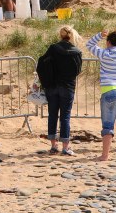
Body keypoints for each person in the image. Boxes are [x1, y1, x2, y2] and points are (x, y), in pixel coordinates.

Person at [86, 29, 116, 161]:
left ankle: (105, 155)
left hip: (109, 90)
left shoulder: (104, 54)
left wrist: (99, 35)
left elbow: (89, 45)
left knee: (108, 125)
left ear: (108, 42)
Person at [39, 25, 84, 156]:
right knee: (65, 117)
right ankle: (66, 146)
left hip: (52, 86)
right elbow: (77, 71)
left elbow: (42, 63)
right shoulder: (76, 52)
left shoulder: (53, 48)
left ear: (60, 35)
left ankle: (53, 145)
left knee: (52, 115)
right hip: (67, 86)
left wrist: (46, 80)